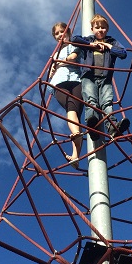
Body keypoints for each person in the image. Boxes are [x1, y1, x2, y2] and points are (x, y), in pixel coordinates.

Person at [71, 14, 130, 140]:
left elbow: (123, 53)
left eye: (103, 27)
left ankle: (113, 127)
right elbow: (74, 39)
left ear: (107, 29)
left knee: (107, 103)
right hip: (89, 76)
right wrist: (91, 45)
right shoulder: (89, 40)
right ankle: (93, 126)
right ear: (92, 29)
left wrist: (108, 47)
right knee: (91, 101)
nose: (100, 30)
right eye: (97, 27)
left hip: (105, 79)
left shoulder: (111, 42)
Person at [49, 22, 83, 168]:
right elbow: (51, 72)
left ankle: (76, 156)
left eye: (62, 31)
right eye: (57, 33)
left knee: (76, 110)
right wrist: (55, 66)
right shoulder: (55, 54)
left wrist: (59, 64)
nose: (60, 35)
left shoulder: (76, 44)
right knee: (70, 108)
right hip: (59, 83)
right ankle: (76, 134)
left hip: (76, 80)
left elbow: (73, 58)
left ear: (68, 31)